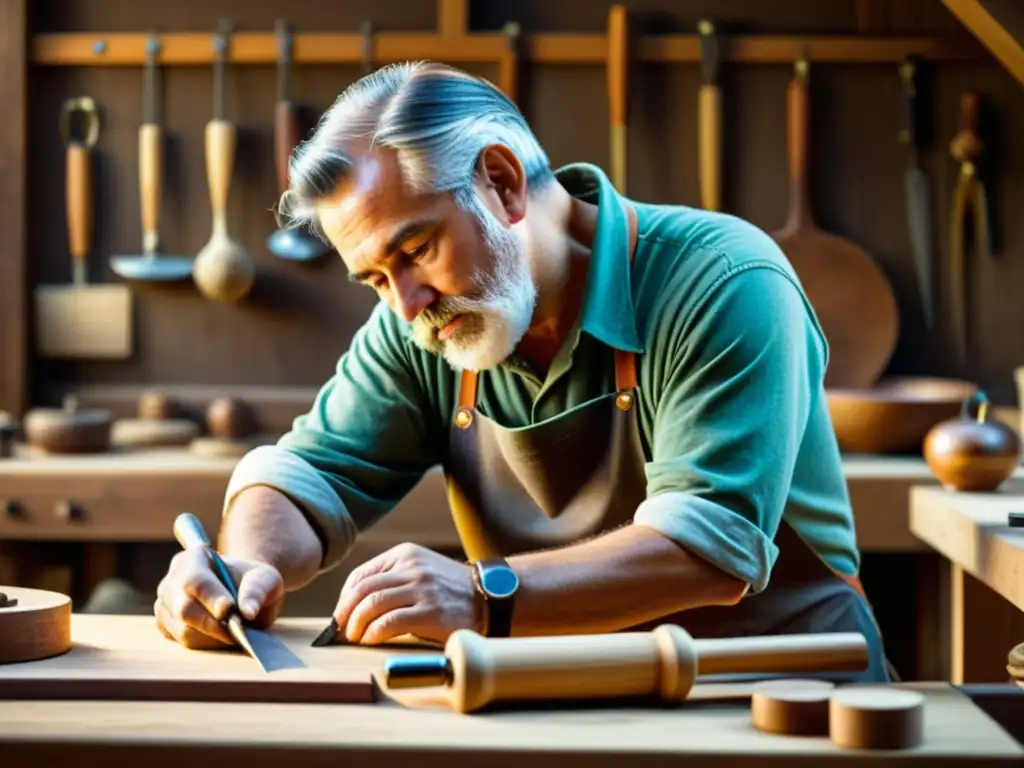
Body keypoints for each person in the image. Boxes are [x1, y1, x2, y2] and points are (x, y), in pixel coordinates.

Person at [154, 61, 890, 682]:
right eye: (374, 278)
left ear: (503, 182)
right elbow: (306, 477)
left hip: (780, 698)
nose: (405, 305)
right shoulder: (428, 322)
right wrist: (242, 571)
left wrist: (482, 595)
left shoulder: (723, 278)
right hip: (566, 700)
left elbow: (710, 549)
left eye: (414, 250)